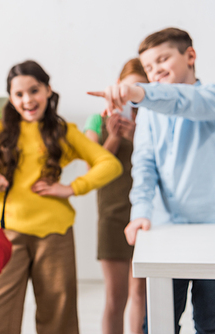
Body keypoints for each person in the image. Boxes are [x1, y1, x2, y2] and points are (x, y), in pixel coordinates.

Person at [88, 27, 215, 334]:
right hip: (166, 233)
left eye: (163, 59)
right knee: (158, 324)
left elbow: (184, 102)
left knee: (211, 323)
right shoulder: (149, 114)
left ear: (190, 56)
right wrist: (140, 213)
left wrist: (138, 93)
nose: (155, 70)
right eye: (148, 67)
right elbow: (145, 167)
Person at [0, 60, 122, 334]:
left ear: (48, 90)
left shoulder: (65, 133)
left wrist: (71, 188)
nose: (27, 99)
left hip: (55, 235)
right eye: (19, 94)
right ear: (10, 97)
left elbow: (109, 164)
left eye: (34, 90)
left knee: (59, 317)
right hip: (7, 232)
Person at [84, 58, 147, 334]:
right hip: (111, 216)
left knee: (141, 295)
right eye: (128, 86)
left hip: (146, 217)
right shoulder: (96, 120)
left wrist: (138, 136)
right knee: (115, 297)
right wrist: (114, 138)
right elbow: (92, 171)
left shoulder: (153, 119)